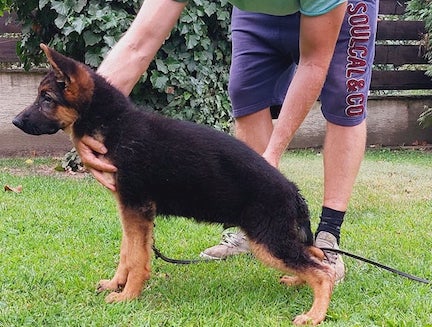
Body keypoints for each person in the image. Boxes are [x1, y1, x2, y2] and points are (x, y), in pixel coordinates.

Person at [74, 0, 377, 283]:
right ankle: (255, 224)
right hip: (257, 11)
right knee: (246, 91)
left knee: (344, 103)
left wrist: (268, 160)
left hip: (338, 11)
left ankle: (329, 234)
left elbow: (313, 64)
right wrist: (87, 123)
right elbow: (140, 41)